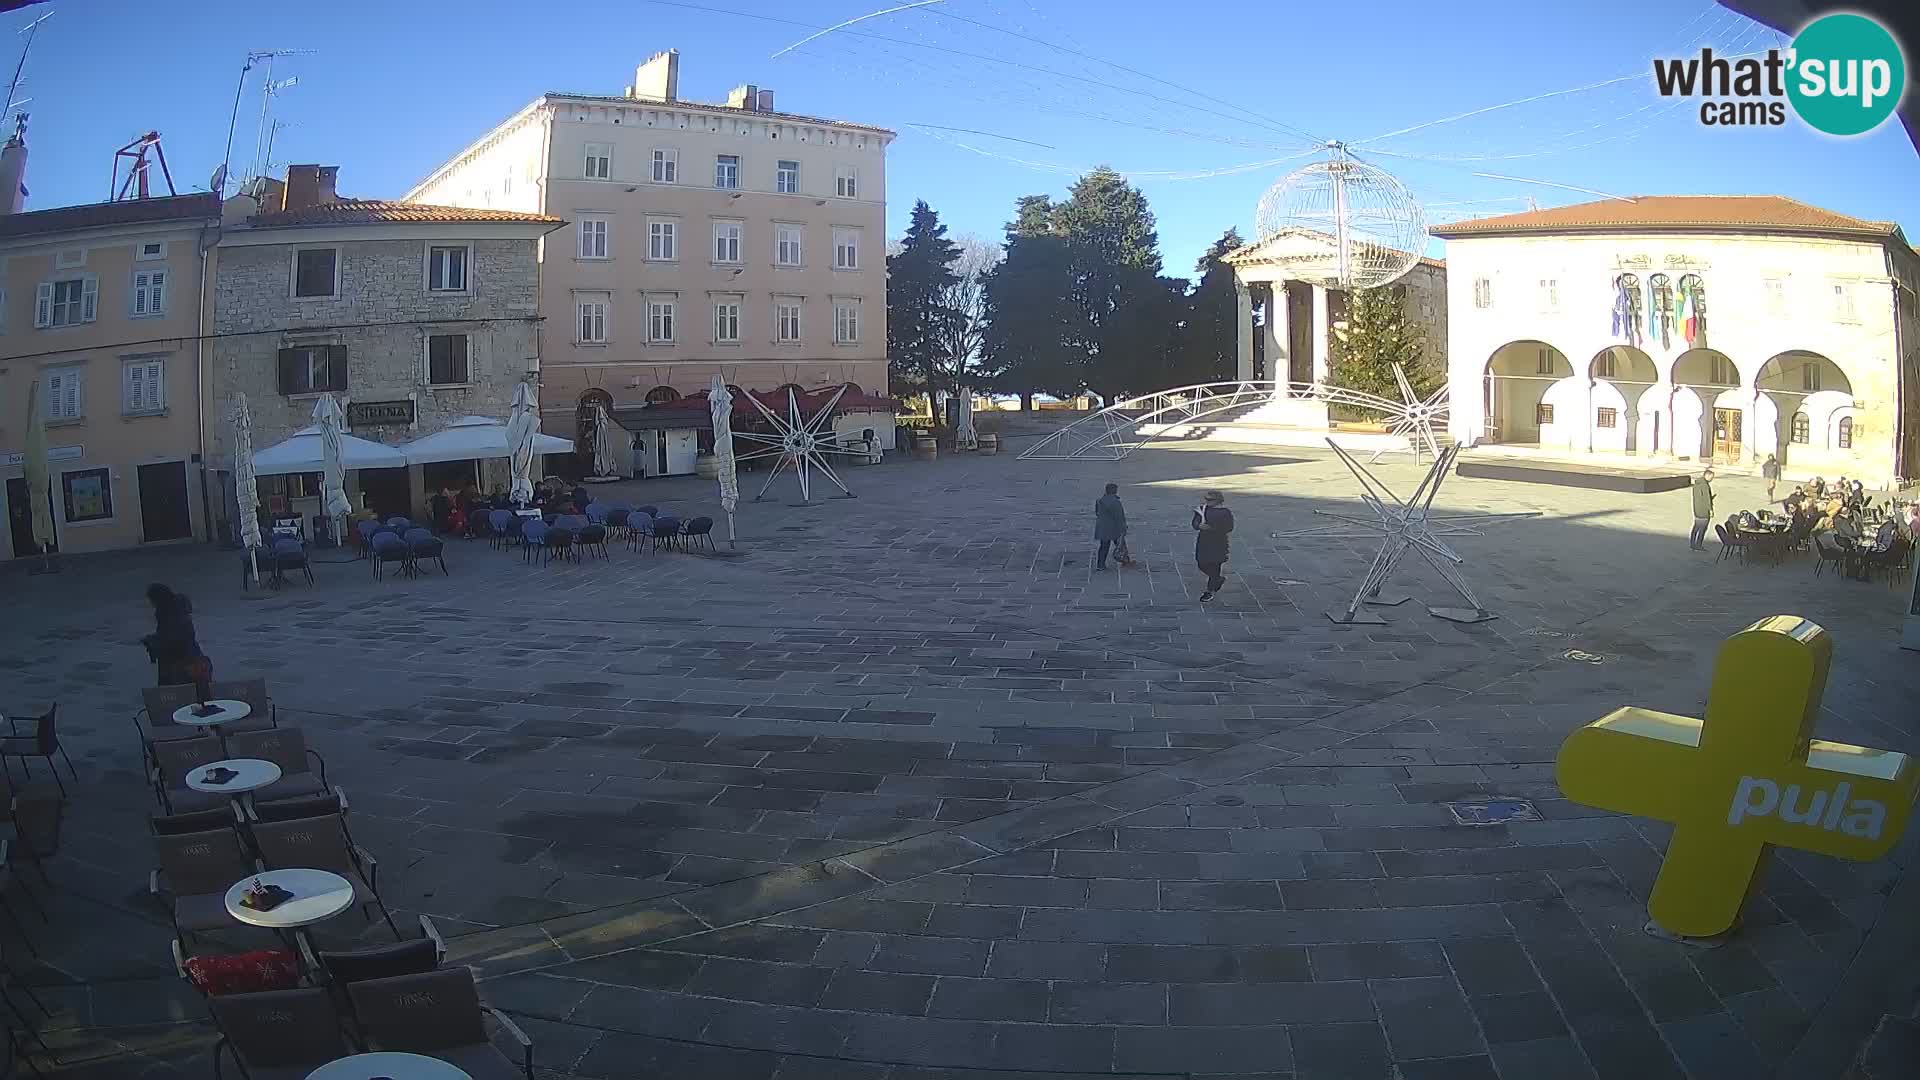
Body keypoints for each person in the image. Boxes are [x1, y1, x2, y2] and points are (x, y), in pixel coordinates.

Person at [141, 584, 209, 687]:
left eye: (152, 600)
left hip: (176, 659)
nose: (151, 604)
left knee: (174, 687)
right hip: (191, 654)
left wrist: (153, 641)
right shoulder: (179, 608)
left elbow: (171, 636)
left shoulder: (166, 612)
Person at [1192, 490, 1234, 602]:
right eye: (1206, 499)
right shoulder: (1201, 510)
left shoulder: (1225, 512)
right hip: (1204, 541)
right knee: (1201, 563)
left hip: (1219, 542)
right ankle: (1217, 579)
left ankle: (1210, 591)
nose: (1207, 501)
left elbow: (1229, 527)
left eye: (1210, 500)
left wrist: (1212, 528)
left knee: (1215, 565)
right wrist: (1199, 526)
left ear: (1218, 500)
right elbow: (1194, 523)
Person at [1093, 483, 1129, 570]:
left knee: (1104, 546)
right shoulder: (1115, 502)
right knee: (1121, 544)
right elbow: (1119, 517)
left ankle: (1100, 564)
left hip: (1102, 527)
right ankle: (1125, 561)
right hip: (1114, 528)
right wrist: (1123, 528)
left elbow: (1097, 513)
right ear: (1114, 491)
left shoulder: (1099, 501)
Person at [1689, 469, 1715, 551]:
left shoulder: (1696, 484)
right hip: (1704, 511)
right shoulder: (1705, 485)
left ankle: (1692, 543)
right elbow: (1706, 499)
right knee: (1703, 528)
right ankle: (1698, 545)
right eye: (1711, 477)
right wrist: (1710, 509)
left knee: (1696, 527)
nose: (1712, 479)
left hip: (1697, 509)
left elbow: (1699, 497)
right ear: (1707, 475)